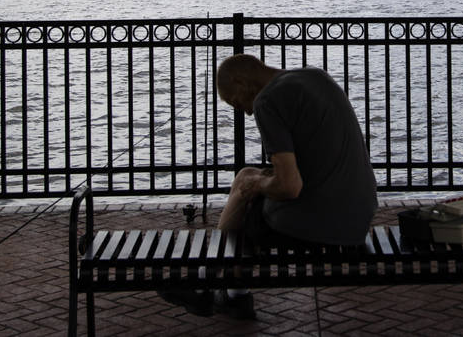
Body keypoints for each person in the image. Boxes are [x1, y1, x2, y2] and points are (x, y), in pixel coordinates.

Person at [159, 53, 378, 320]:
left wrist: (259, 185)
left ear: (241, 81)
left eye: (235, 102)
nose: (246, 111)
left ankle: (211, 287)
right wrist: (256, 180)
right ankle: (224, 290)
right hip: (359, 213)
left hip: (326, 223)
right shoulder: (314, 77)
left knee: (247, 211)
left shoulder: (267, 100)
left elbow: (290, 187)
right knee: (245, 176)